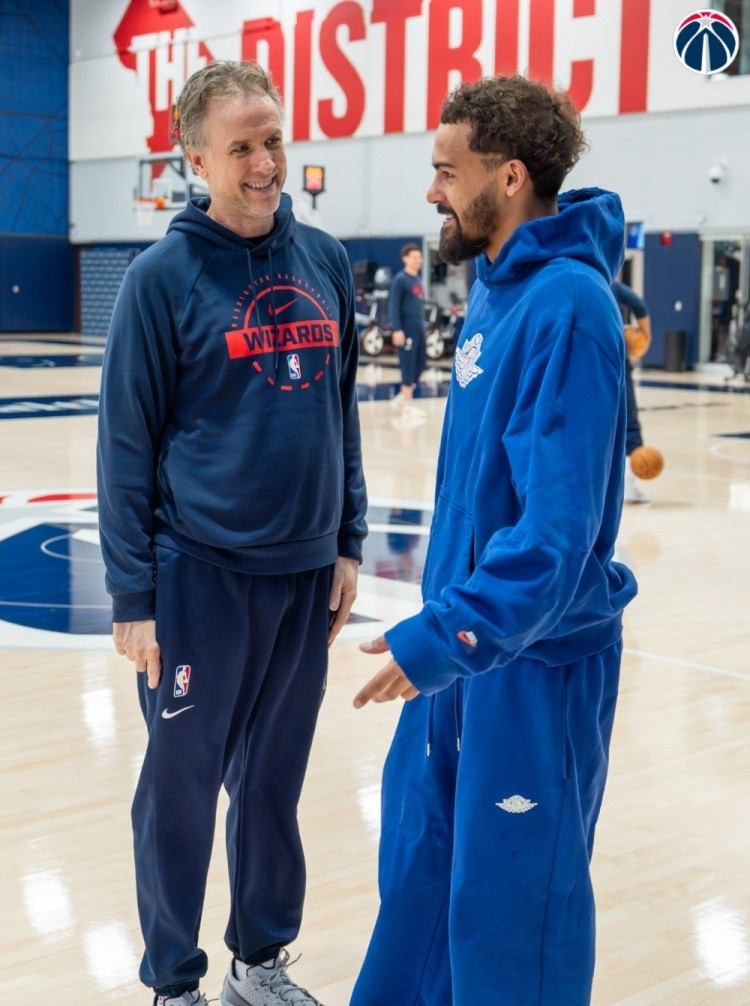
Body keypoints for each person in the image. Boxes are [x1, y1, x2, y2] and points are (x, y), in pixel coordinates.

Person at [351, 74, 638, 1006]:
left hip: (532, 666)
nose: (432, 191)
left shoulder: (570, 306)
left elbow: (554, 538)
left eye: (448, 171)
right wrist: (446, 636)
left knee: (514, 919)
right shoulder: (496, 292)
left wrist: (445, 636)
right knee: (421, 880)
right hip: (464, 652)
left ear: (509, 177)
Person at [96, 60, 367, 1006]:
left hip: (303, 576)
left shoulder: (325, 260)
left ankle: (259, 961)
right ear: (196, 158)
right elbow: (124, 449)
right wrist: (133, 597)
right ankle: (174, 982)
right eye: (242, 146)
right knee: (179, 792)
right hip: (198, 578)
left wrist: (347, 539)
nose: (265, 163)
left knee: (273, 785)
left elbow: (341, 412)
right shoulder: (160, 280)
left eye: (274, 140)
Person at [611, 278, 660, 503]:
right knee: (628, 419)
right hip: (615, 353)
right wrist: (646, 338)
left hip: (584, 360)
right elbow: (638, 304)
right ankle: (627, 485)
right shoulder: (607, 280)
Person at [389, 242, 427, 414]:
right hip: (406, 329)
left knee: (421, 364)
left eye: (420, 257)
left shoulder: (417, 279)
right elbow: (394, 306)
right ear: (405, 259)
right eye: (414, 257)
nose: (418, 260)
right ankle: (407, 406)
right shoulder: (400, 280)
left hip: (419, 328)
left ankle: (402, 398)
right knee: (408, 366)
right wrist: (397, 329)